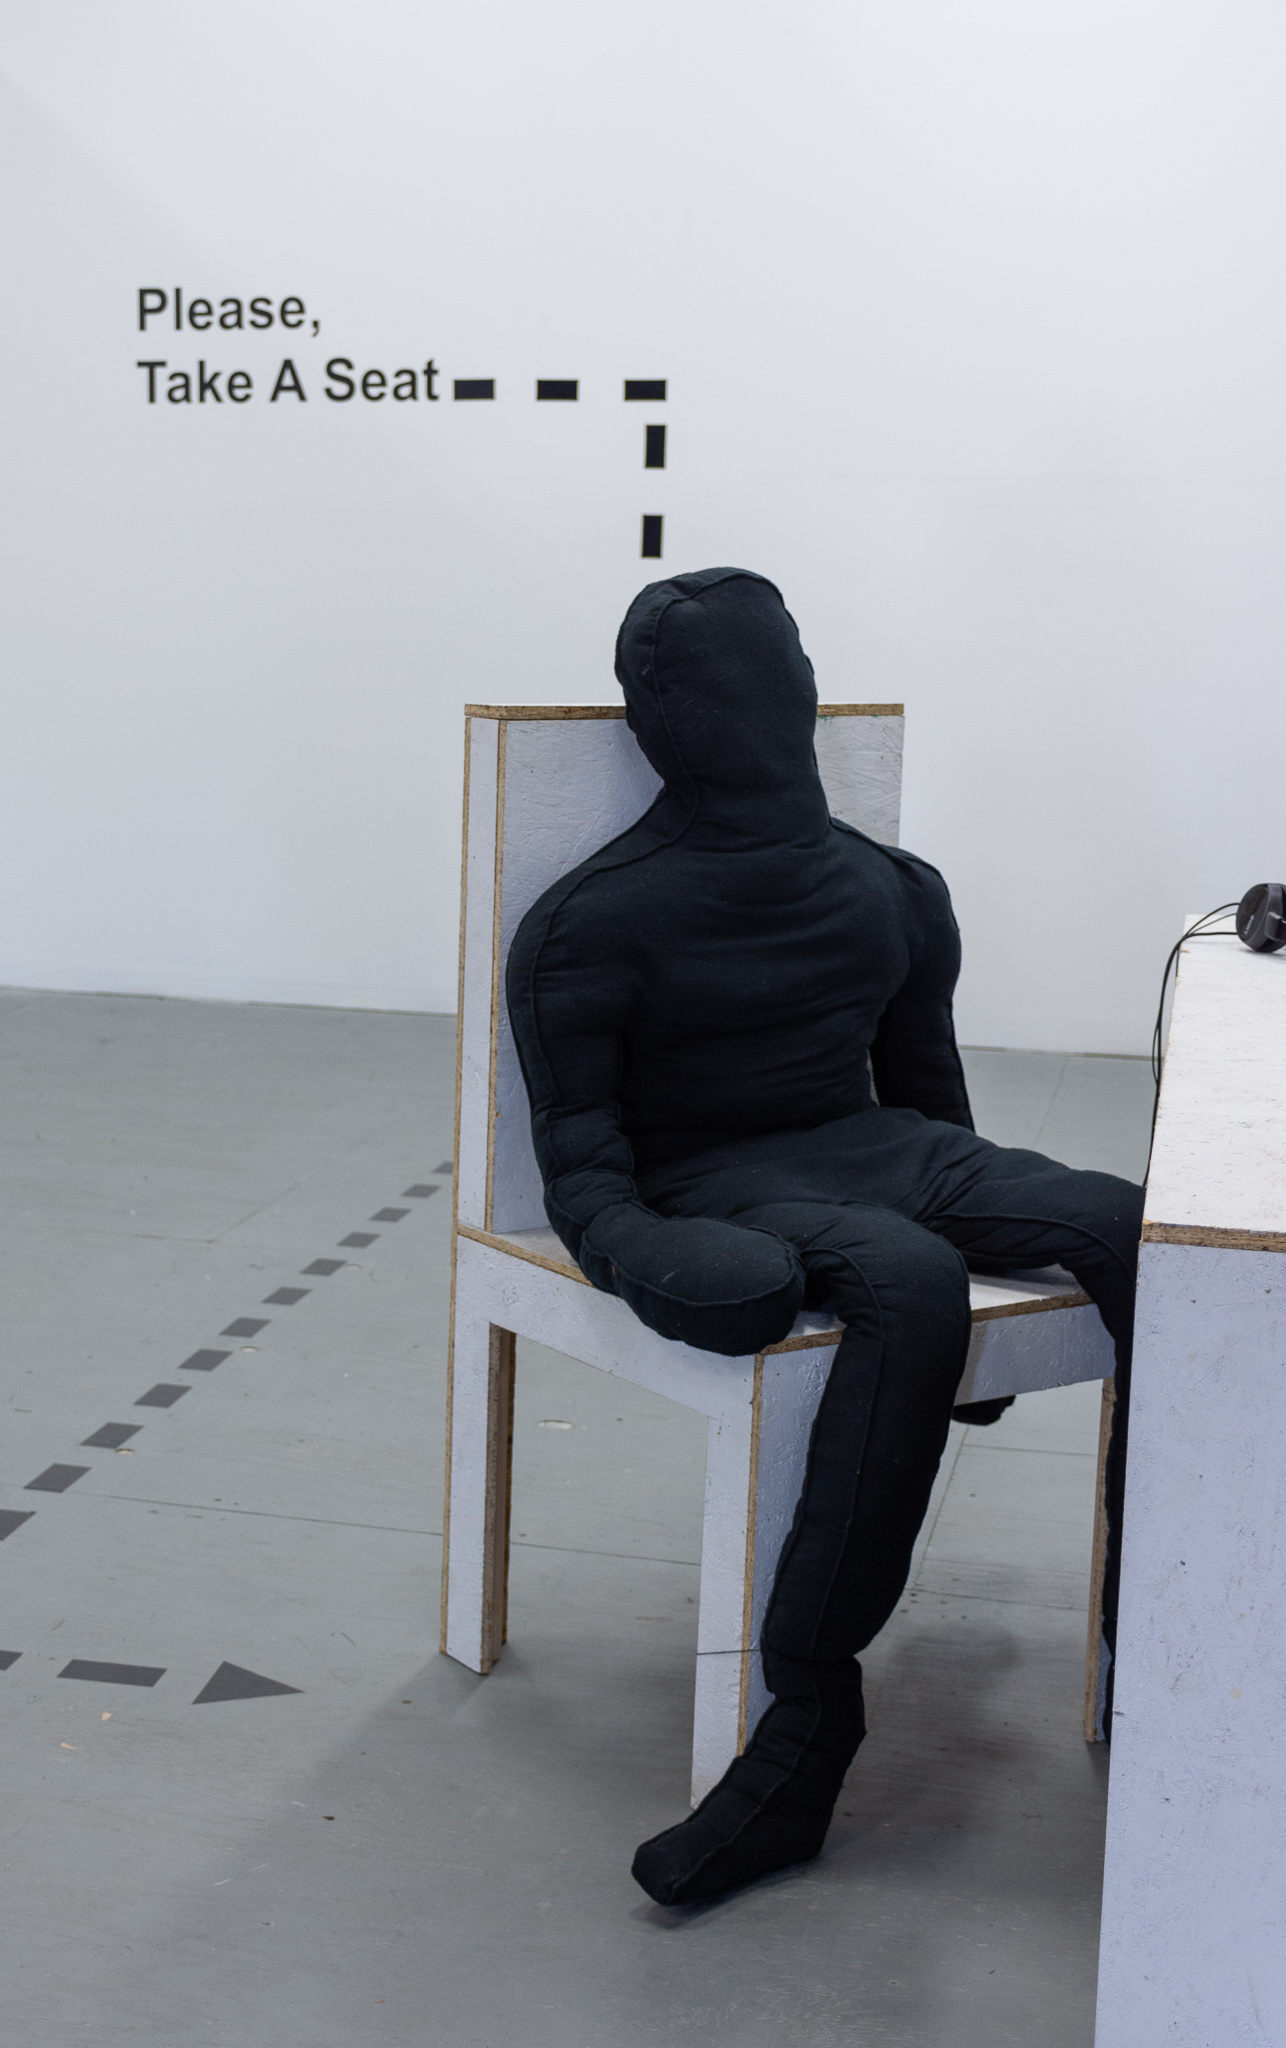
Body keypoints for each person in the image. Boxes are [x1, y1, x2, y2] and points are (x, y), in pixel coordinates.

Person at [505, 567, 1140, 1907]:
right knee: (907, 1281)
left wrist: (985, 1250)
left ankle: (1166, 1618)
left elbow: (929, 1101)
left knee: (1137, 1231)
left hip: (867, 1144)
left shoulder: (888, 889)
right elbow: (587, 1175)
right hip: (711, 1173)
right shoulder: (586, 923)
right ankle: (803, 1732)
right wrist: (653, 1255)